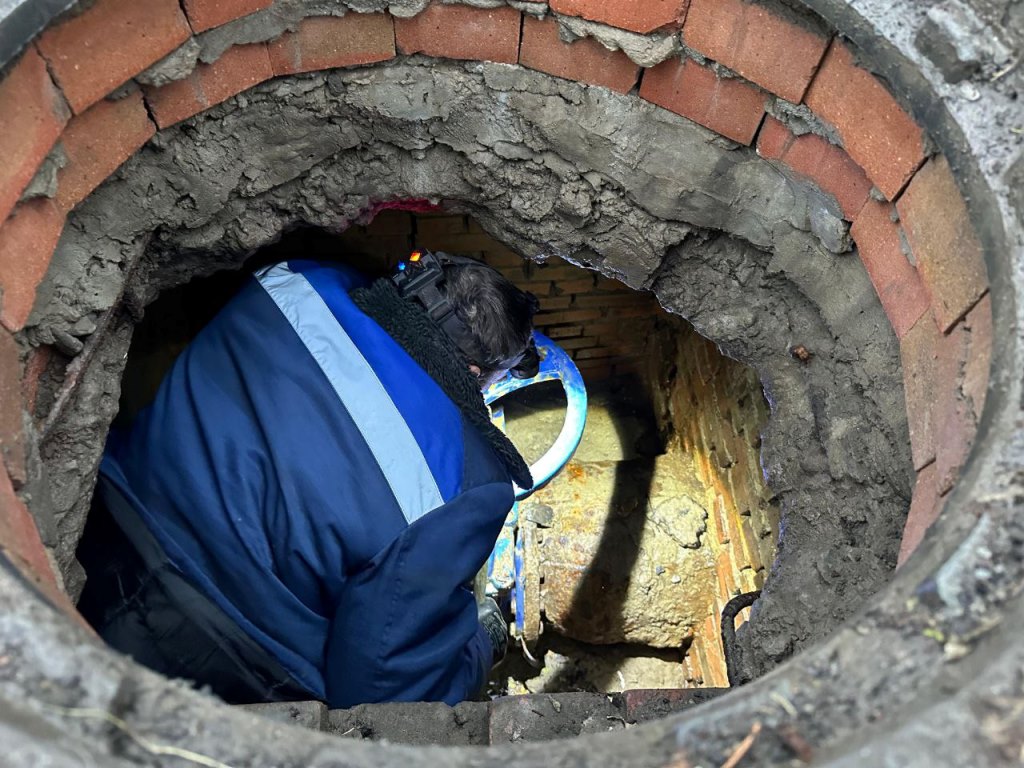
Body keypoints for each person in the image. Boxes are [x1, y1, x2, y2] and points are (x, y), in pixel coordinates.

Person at [76, 250, 540, 708]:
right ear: (474, 372)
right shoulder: (467, 487)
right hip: (215, 651)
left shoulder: (297, 279)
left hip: (104, 529)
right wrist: (480, 643)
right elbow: (386, 695)